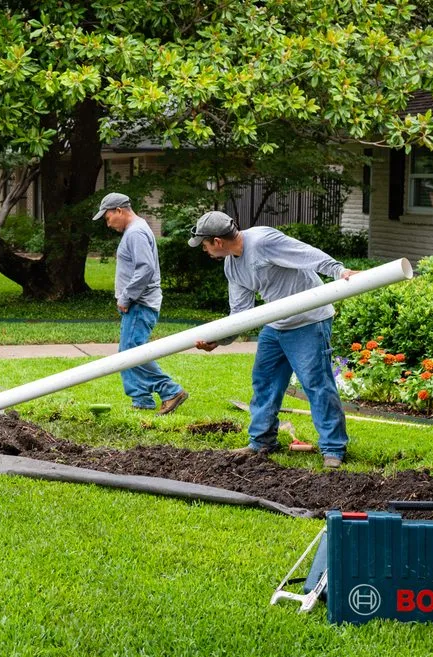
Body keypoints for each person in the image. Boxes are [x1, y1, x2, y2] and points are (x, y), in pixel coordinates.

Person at [188, 211, 359, 468]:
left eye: (204, 244)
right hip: (276, 323)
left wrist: (339, 270)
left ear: (218, 241)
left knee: (316, 383)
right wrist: (220, 340)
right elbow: (241, 314)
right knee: (265, 381)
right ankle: (262, 441)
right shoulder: (231, 265)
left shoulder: (262, 241)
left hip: (308, 321)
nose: (204, 249)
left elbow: (306, 254)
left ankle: (333, 449)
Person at [93, 192, 189, 415]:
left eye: (107, 218)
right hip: (140, 303)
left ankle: (170, 390)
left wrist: (126, 297)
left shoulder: (135, 232)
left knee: (132, 352)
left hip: (140, 303)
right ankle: (141, 398)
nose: (108, 224)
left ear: (119, 210)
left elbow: (145, 268)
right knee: (126, 352)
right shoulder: (136, 230)